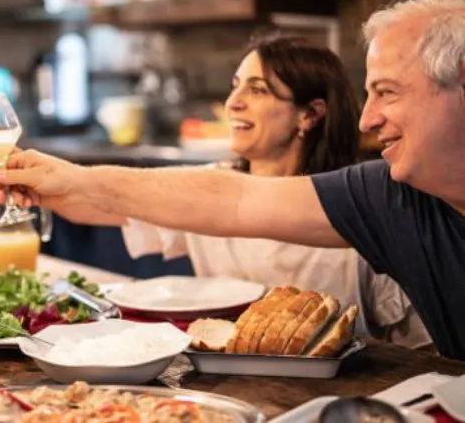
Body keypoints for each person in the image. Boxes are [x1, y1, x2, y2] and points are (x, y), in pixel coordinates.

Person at [0, 0, 465, 359]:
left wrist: (74, 178)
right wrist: (53, 176)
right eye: (236, 86)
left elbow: (415, 357)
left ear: (310, 115)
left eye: (387, 92)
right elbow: (231, 199)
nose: (368, 120)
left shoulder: (371, 205)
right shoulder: (384, 196)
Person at [120, 36, 429, 348]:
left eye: (257, 90)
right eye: (235, 85)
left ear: (310, 114)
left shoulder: (358, 204)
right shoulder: (209, 188)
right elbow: (107, 204)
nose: (232, 103)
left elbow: (418, 351)